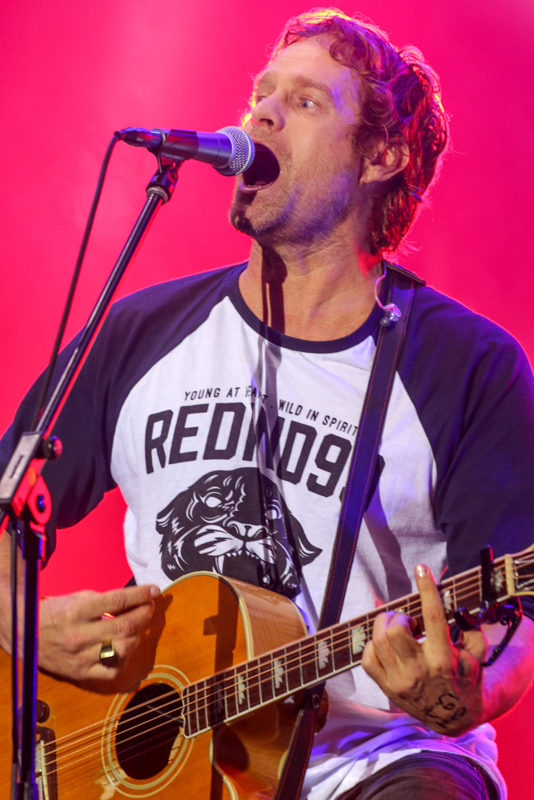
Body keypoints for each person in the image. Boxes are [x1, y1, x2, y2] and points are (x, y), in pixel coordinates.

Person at [1, 8, 534, 800]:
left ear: (382, 155)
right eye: (260, 95)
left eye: (305, 101)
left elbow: (514, 619)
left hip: (379, 759)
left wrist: (467, 694)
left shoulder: (467, 365)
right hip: (169, 766)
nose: (261, 115)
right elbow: (7, 509)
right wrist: (20, 622)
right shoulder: (141, 331)